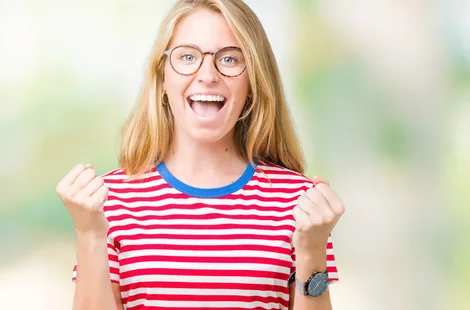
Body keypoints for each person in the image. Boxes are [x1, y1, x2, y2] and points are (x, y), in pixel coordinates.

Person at [55, 0, 345, 309]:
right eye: (188, 56)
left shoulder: (298, 202)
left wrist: (312, 251)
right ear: (162, 79)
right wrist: (89, 234)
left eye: (230, 59)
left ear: (253, 82)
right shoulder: (111, 201)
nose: (207, 74)